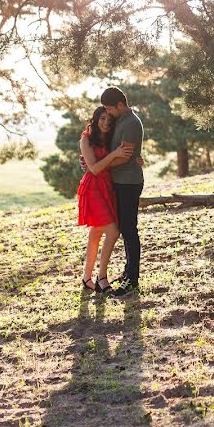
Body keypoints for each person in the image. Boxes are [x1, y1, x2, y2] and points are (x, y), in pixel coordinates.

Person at [77, 106, 136, 294]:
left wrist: (135, 159)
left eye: (109, 120)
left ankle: (87, 278)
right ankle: (101, 277)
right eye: (102, 119)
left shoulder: (110, 138)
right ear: (95, 119)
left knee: (97, 232)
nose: (106, 123)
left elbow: (114, 161)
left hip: (107, 187)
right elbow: (93, 169)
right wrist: (114, 155)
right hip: (93, 189)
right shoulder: (86, 139)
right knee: (112, 231)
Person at [100, 87, 145, 296]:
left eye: (110, 108)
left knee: (129, 230)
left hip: (129, 182)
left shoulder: (132, 123)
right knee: (124, 229)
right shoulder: (119, 120)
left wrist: (98, 165)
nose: (108, 112)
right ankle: (128, 273)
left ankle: (133, 280)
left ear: (120, 104)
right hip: (118, 181)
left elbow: (124, 156)